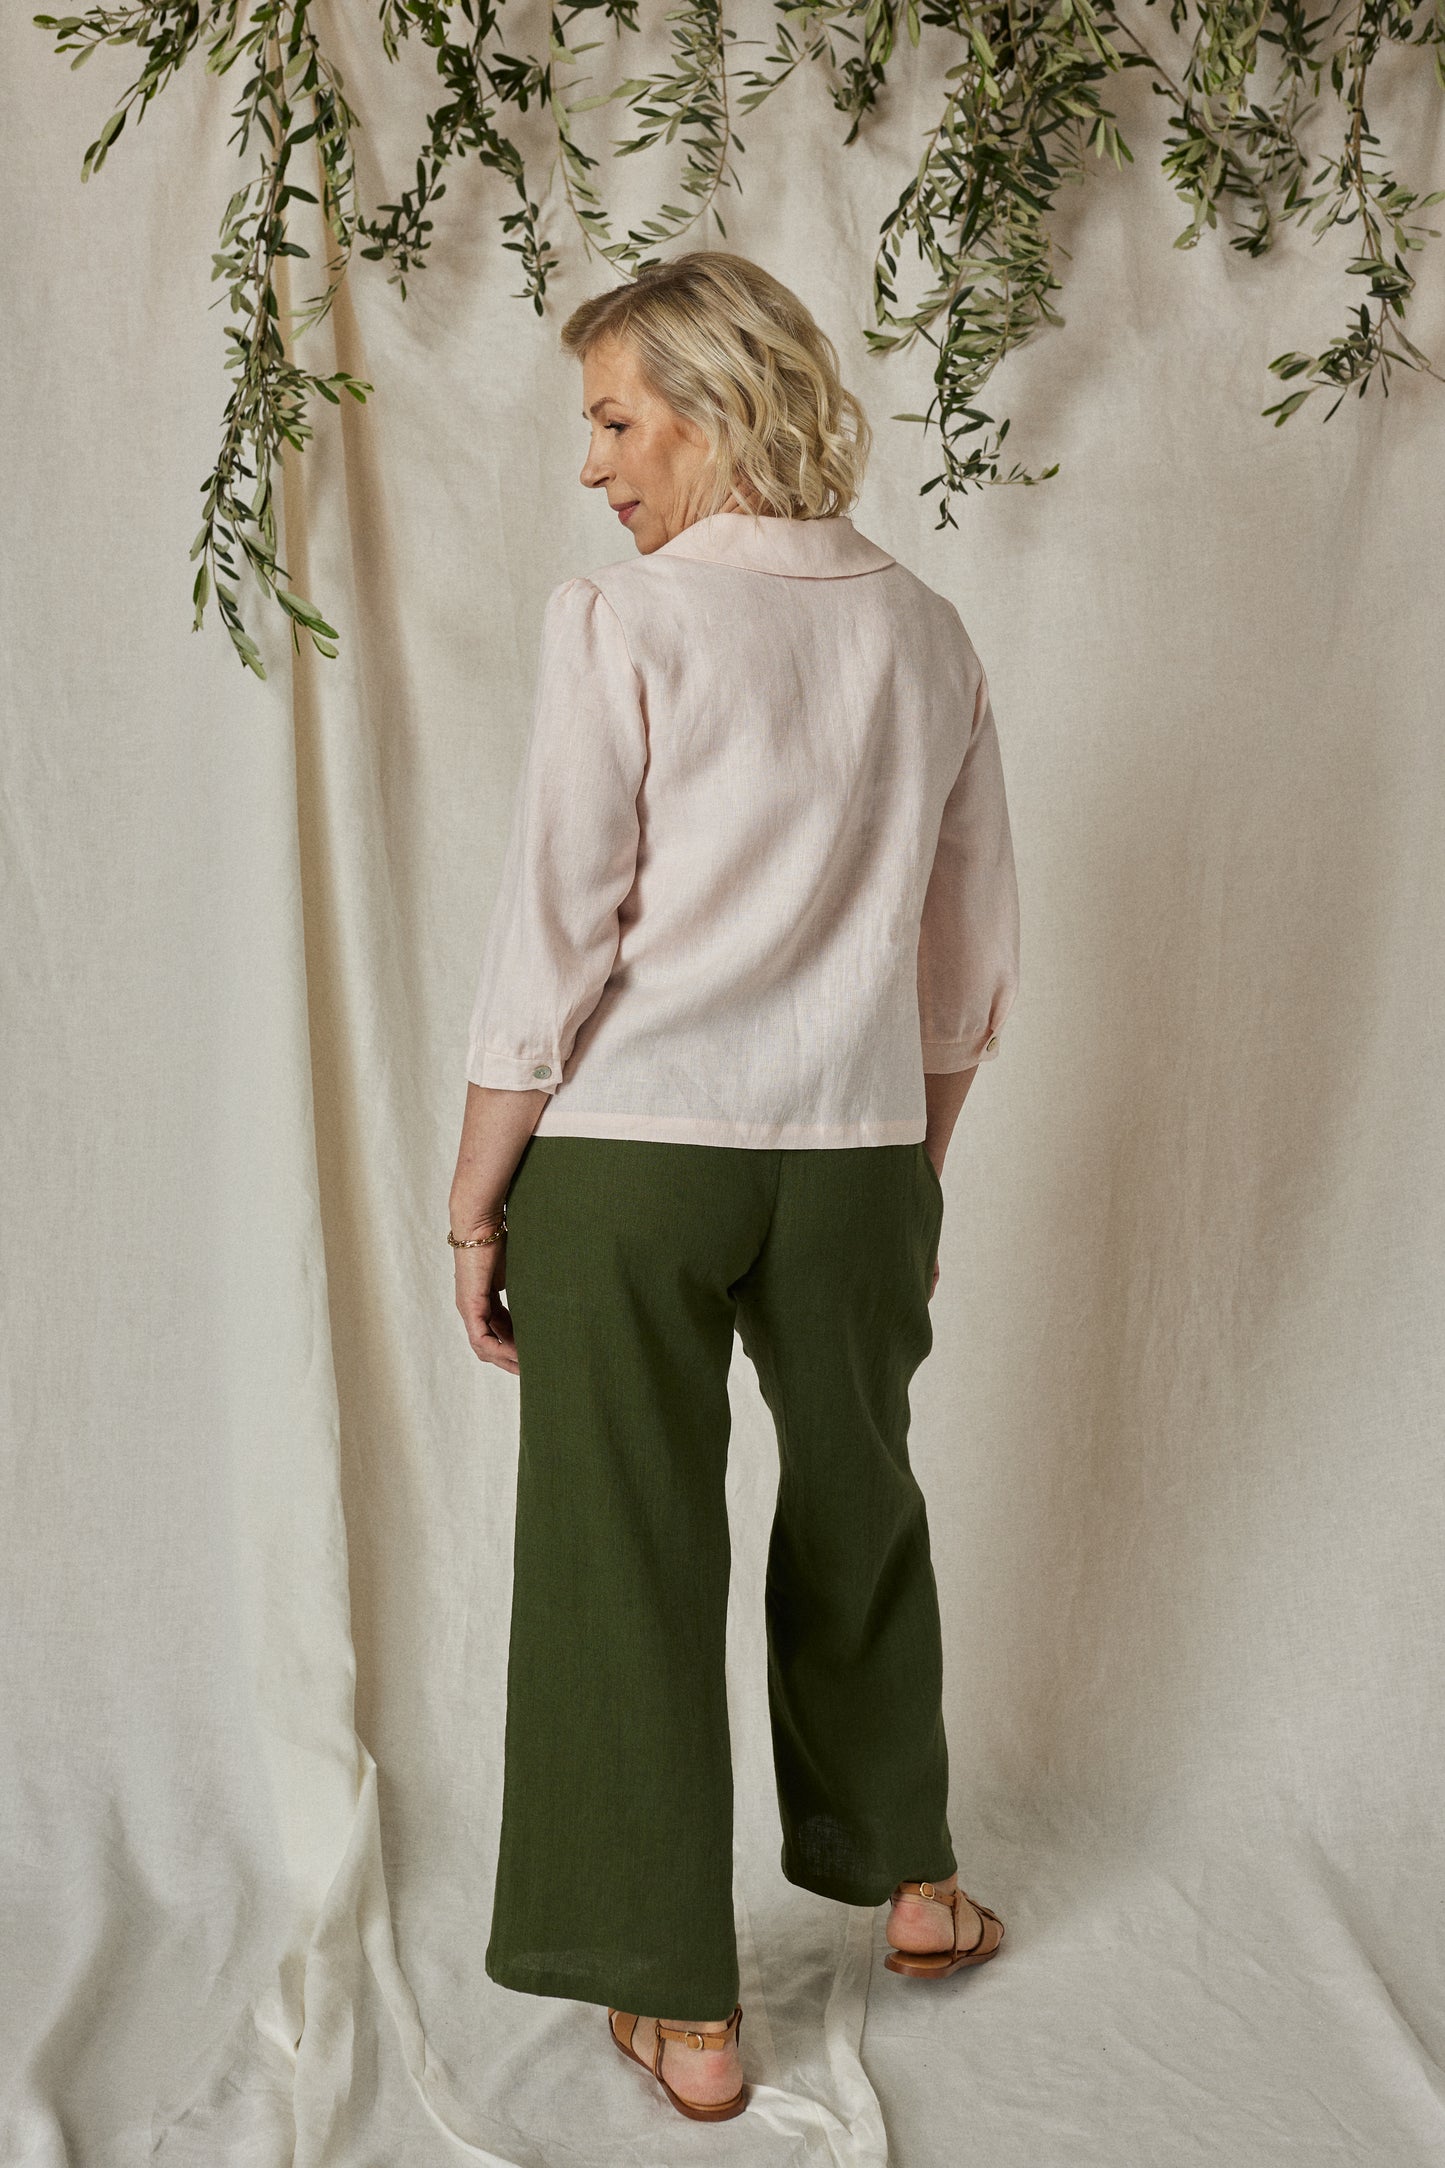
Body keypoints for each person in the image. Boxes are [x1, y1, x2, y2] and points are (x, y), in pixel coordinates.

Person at [448, 250, 1019, 2125]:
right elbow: (964, 950)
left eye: (616, 419)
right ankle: (915, 1887)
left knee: (622, 1550)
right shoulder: (923, 628)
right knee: (863, 1507)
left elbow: (557, 929)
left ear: (714, 399)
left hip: (631, 1154)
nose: (597, 466)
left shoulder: (626, 619)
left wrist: (477, 1194)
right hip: (853, 1155)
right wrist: (900, 1161)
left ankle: (681, 2009)